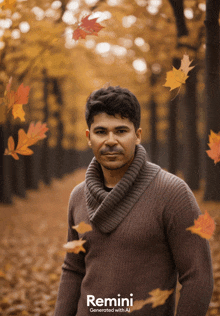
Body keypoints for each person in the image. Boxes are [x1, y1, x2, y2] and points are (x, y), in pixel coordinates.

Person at [54, 85, 214, 316]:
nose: (110, 141)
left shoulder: (172, 193)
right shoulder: (78, 196)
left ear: (137, 135)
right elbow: (73, 269)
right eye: (101, 132)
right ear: (89, 137)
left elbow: (198, 276)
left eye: (121, 131)